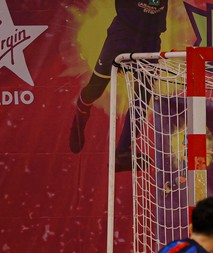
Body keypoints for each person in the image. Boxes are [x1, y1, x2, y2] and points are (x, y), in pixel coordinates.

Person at [69, 0, 168, 172]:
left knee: (143, 95)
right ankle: (81, 112)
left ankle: (122, 152)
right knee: (96, 88)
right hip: (123, 34)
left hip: (150, 38)